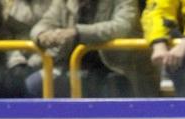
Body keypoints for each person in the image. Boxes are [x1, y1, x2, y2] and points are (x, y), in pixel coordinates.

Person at [29, 0, 159, 98]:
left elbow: (122, 26)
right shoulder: (64, 2)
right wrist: (41, 35)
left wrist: (77, 32)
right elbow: (44, 23)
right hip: (72, 67)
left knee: (113, 87)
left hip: (118, 68)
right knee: (33, 85)